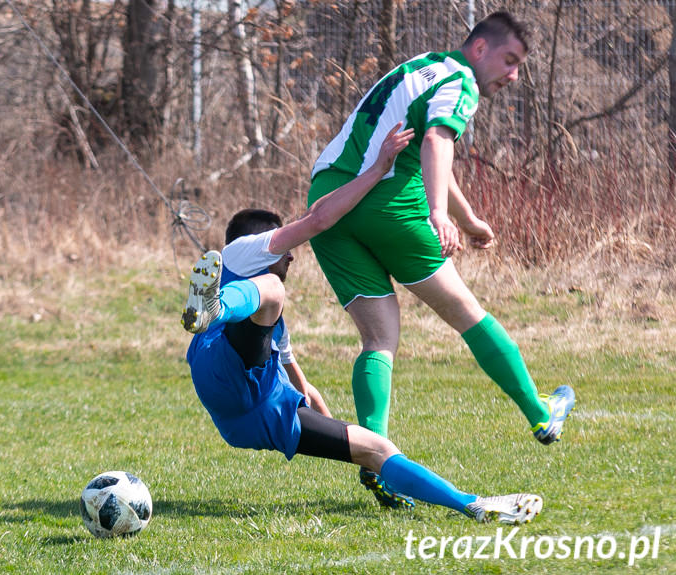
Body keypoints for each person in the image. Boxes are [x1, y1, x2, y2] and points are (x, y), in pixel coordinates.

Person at [178, 126, 543, 524]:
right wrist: (377, 169)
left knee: (377, 449)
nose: (291, 258)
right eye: (283, 250)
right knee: (271, 289)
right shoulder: (240, 252)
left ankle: (474, 505)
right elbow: (318, 219)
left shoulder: (272, 329)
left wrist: (337, 430)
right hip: (226, 366)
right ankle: (216, 307)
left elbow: (300, 384)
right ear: (267, 241)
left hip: (251, 409)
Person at [306, 11, 575, 508]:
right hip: (389, 204)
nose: (513, 75)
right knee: (466, 314)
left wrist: (467, 217)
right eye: (510, 61)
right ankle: (541, 414)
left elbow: (426, 149)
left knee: (379, 337)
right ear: (479, 49)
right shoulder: (462, 83)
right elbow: (436, 142)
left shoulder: (424, 67)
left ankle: (377, 458)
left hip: (328, 200)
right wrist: (436, 213)